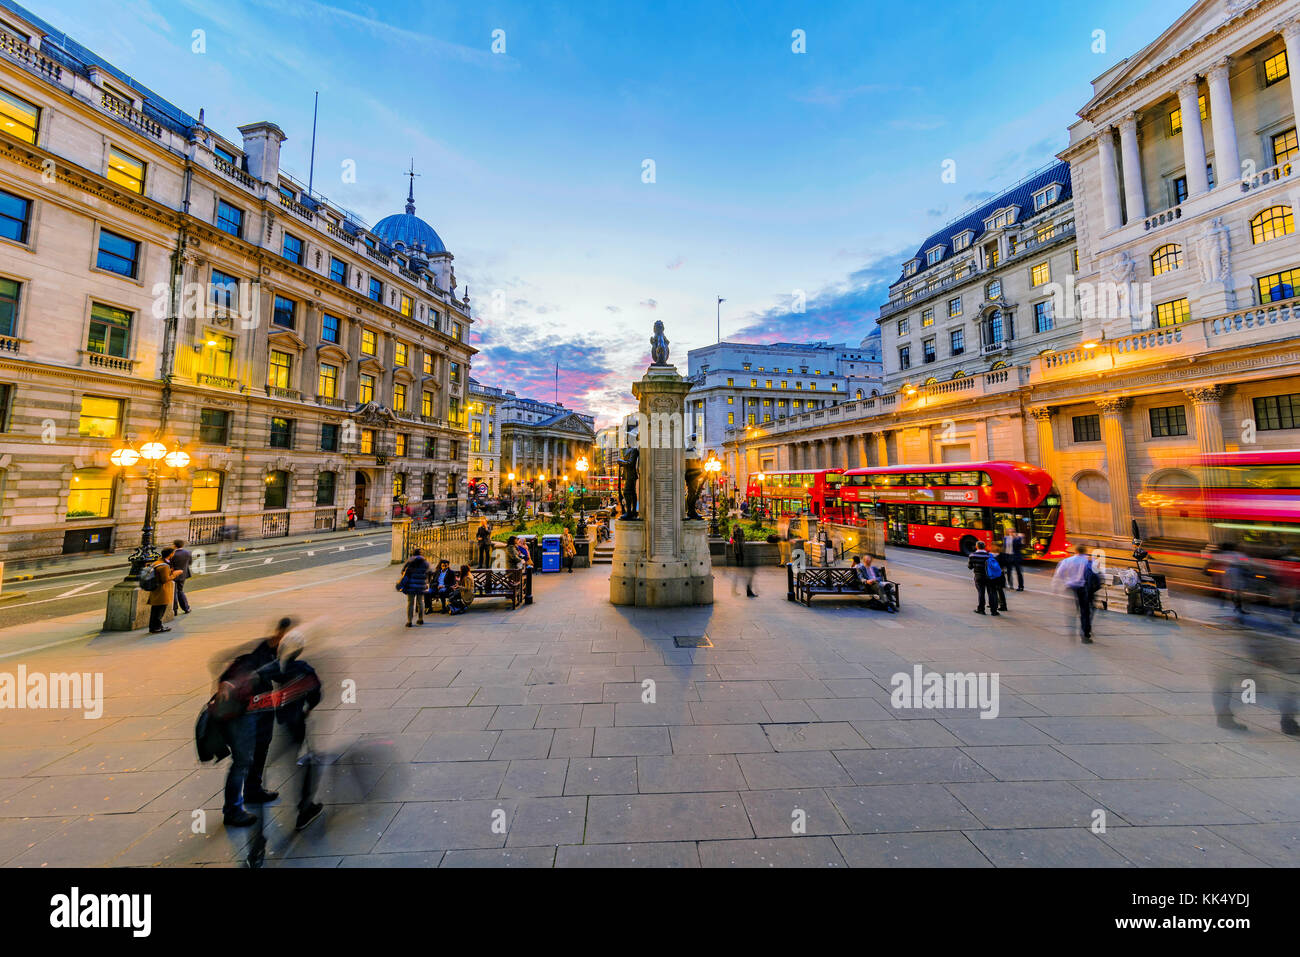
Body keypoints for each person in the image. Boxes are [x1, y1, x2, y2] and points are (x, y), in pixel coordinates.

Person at [214, 617, 291, 827]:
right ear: (280, 633)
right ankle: (232, 810)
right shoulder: (259, 651)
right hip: (244, 713)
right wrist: (227, 684)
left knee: (261, 748)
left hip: (263, 708)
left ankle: (253, 790)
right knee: (242, 761)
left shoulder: (283, 653)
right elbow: (235, 669)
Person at [1053, 543, 1095, 643]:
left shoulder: (1067, 561)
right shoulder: (1087, 562)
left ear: (1075, 551)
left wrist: (1060, 585)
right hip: (1083, 588)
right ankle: (1085, 633)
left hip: (1070, 587)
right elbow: (1094, 575)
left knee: (1071, 611)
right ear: (1084, 551)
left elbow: (1059, 573)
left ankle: (1071, 632)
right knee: (1085, 611)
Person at [143, 546, 184, 633]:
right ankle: (157, 627)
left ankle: (153, 627)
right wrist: (176, 574)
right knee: (160, 610)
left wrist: (170, 571)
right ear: (170, 554)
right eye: (173, 553)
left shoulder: (157, 562)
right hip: (162, 591)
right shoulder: (164, 566)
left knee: (155, 609)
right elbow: (165, 579)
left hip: (156, 590)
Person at [397, 547, 431, 626]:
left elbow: (403, 572)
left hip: (411, 585)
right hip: (420, 585)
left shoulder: (409, 561)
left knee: (410, 603)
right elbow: (428, 572)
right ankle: (420, 619)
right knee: (420, 602)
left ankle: (409, 621)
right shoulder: (425, 562)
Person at [967, 541, 999, 617]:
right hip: (989, 577)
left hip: (979, 576)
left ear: (976, 546)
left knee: (981, 592)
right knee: (991, 592)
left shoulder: (972, 555)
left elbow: (970, 567)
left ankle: (981, 609)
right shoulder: (989, 555)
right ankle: (994, 611)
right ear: (984, 547)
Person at [170, 538, 194, 615]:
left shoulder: (172, 554)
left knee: (173, 593)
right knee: (180, 591)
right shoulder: (188, 553)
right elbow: (190, 563)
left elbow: (170, 565)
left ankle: (174, 610)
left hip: (173, 575)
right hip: (183, 575)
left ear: (175, 545)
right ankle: (186, 608)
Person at [1002, 524, 1026, 591]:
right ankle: (1010, 585)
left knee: (1019, 572)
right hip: (1008, 556)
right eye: (1010, 531)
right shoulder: (1005, 538)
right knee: (1008, 572)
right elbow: (1004, 548)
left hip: (1016, 557)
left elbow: (1021, 545)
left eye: (1012, 531)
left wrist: (1019, 538)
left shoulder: (1018, 538)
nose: (1011, 533)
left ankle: (1021, 586)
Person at [987, 541, 1009, 613]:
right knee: (995, 590)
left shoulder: (999, 555)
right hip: (996, 575)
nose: (991, 547)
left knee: (997, 591)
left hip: (996, 576)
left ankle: (1000, 605)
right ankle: (996, 604)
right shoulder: (991, 554)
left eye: (992, 545)